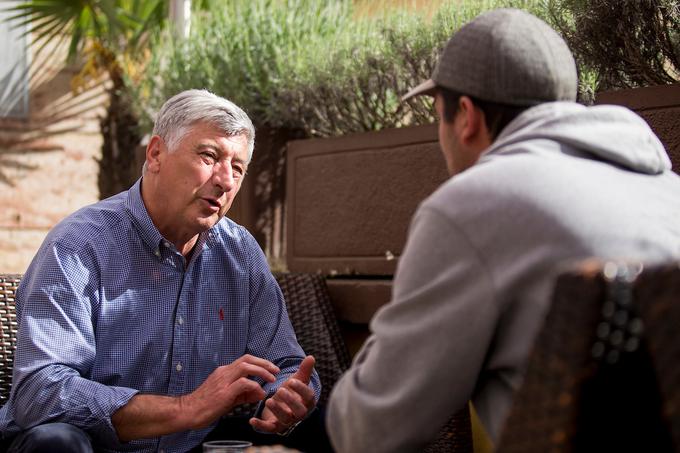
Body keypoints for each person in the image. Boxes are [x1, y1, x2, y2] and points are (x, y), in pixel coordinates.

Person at [326, 8, 680, 452]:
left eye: (439, 115)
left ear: (467, 117)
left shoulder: (473, 204)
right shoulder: (668, 191)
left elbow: (368, 431)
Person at [0, 89, 322, 453]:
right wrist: (187, 408)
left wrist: (285, 397)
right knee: (56, 443)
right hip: (89, 446)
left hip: (193, 447)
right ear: (155, 154)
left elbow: (286, 363)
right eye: (209, 156)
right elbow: (40, 393)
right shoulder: (79, 245)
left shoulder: (240, 252)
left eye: (237, 168)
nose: (225, 180)